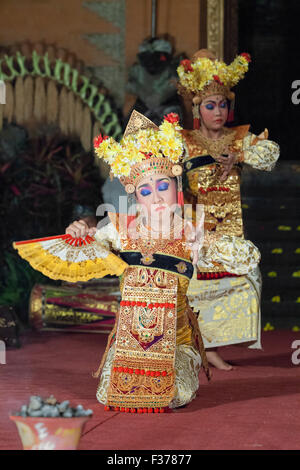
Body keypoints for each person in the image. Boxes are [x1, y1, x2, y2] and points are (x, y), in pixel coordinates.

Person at [14, 111, 260, 412]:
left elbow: (249, 257)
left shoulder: (190, 232)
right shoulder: (119, 228)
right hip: (130, 343)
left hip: (176, 343)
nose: (156, 197)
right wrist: (79, 230)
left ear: (176, 186)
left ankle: (189, 361)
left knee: (171, 395)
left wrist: (207, 242)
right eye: (146, 190)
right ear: (135, 195)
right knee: (110, 395)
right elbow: (84, 250)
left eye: (163, 186)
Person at [177, 50, 280, 370]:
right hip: (197, 229)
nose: (218, 111)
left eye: (223, 105)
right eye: (210, 105)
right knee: (196, 287)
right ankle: (197, 348)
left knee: (246, 278)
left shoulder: (239, 139)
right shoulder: (183, 140)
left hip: (231, 227)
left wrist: (241, 157)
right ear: (197, 108)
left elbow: (271, 153)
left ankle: (214, 346)